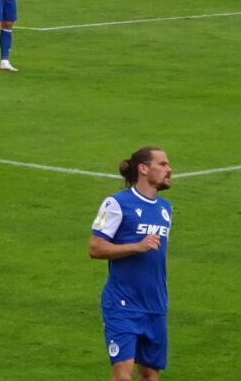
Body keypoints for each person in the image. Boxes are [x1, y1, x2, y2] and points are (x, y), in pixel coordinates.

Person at [89, 146, 174, 381]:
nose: (170, 170)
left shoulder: (165, 208)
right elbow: (95, 248)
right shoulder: (116, 204)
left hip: (155, 303)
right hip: (122, 303)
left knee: (149, 374)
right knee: (123, 376)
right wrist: (137, 246)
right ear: (144, 169)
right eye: (163, 164)